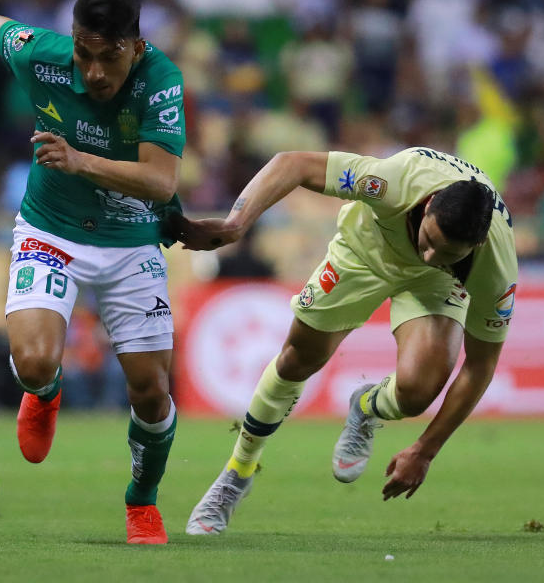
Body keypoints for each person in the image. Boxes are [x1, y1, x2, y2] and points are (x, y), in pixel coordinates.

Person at [0, 0, 186, 544]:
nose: (94, 72)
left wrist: (79, 161)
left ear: (136, 47)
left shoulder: (161, 80)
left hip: (130, 241)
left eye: (109, 57)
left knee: (151, 390)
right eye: (84, 53)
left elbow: (161, 180)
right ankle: (46, 391)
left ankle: (141, 503)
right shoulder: (44, 54)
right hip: (50, 228)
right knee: (32, 360)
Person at [177, 146, 517, 535]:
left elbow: (480, 367)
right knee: (297, 360)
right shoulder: (393, 181)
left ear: (474, 247)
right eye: (428, 239)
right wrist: (237, 223)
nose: (428, 254)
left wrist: (425, 450)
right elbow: (293, 164)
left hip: (439, 284)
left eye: (445, 252)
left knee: (419, 391)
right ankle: (237, 473)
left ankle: (367, 406)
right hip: (364, 253)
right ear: (428, 207)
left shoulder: (495, 267)